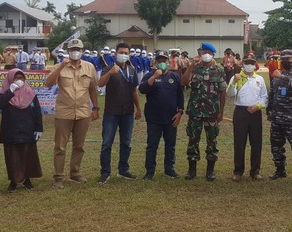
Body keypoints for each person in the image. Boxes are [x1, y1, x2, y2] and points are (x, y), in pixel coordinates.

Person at [45, 39, 99, 188]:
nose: (75, 51)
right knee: (60, 146)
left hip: (83, 112)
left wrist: (95, 108)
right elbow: (48, 83)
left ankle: (75, 173)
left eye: (78, 49)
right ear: (68, 51)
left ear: (82, 51)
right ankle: (58, 177)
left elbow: (92, 89)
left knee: (79, 145)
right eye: (73, 49)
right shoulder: (59, 66)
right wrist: (61, 66)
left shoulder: (89, 67)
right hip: (64, 112)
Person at [96, 43, 142, 184]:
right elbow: (100, 84)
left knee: (126, 143)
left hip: (127, 112)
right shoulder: (108, 68)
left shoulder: (131, 70)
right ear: (115, 54)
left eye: (126, 52)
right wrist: (110, 73)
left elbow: (134, 90)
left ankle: (123, 170)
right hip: (112, 112)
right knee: (107, 143)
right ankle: (105, 172)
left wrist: (138, 108)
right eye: (121, 52)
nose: (123, 54)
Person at [181, 42, 227, 181]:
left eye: (208, 52)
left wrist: (221, 112)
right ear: (199, 54)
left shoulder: (219, 69)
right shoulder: (194, 68)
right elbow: (183, 82)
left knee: (212, 140)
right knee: (193, 140)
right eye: (203, 52)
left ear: (213, 54)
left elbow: (222, 92)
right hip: (195, 111)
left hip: (212, 111)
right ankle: (192, 170)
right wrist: (190, 66)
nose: (205, 55)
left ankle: (210, 171)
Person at [0, 69, 43, 192]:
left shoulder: (30, 93)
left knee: (28, 155)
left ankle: (27, 180)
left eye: (21, 78)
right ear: (10, 80)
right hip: (11, 130)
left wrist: (39, 128)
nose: (19, 80)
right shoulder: (4, 94)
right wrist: (11, 90)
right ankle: (13, 181)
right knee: (12, 157)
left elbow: (37, 112)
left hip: (28, 129)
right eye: (16, 78)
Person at [140, 50, 185, 180]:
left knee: (170, 145)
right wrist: (154, 77)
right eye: (159, 61)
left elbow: (180, 95)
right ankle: (150, 171)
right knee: (152, 145)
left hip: (171, 118)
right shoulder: (149, 75)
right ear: (155, 62)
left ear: (169, 62)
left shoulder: (174, 77)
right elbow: (142, 90)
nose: (162, 63)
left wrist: (180, 112)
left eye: (164, 61)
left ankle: (169, 169)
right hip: (154, 118)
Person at [267, 49, 292, 184]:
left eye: (288, 59)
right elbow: (272, 94)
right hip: (277, 118)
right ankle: (280, 170)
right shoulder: (277, 75)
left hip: (291, 119)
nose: (285, 62)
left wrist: (281, 77)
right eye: (283, 59)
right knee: (276, 146)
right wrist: (269, 110)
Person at [226, 53, 268, 182]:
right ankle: (238, 171)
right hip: (240, 112)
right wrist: (234, 83)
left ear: (255, 65)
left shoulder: (259, 79)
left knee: (256, 142)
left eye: (252, 63)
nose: (249, 65)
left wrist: (258, 106)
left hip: (255, 112)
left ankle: (255, 171)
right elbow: (230, 94)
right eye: (247, 63)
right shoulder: (237, 77)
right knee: (239, 142)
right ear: (242, 64)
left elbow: (265, 97)